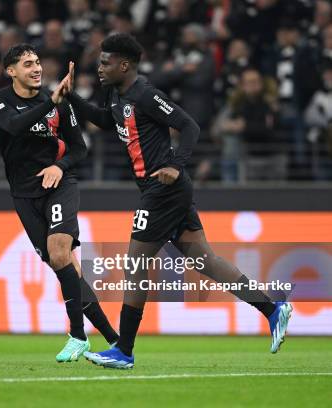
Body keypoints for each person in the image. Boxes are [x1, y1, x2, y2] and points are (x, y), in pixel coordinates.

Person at [62, 33, 292, 369]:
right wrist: (71, 98)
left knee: (135, 265)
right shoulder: (115, 94)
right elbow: (103, 120)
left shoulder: (145, 94)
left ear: (124, 65)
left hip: (164, 190)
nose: (99, 67)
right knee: (206, 261)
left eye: (105, 62)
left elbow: (190, 126)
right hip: (160, 190)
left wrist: (174, 164)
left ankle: (124, 350)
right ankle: (273, 310)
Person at [0, 44, 119, 362]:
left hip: (59, 185)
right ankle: (116, 339)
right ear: (11, 71)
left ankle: (77, 336)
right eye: (28, 63)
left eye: (37, 63)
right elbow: (14, 127)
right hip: (24, 194)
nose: (36, 68)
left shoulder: (58, 101)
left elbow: (79, 148)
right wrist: (50, 103)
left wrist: (60, 166)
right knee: (67, 268)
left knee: (60, 251)